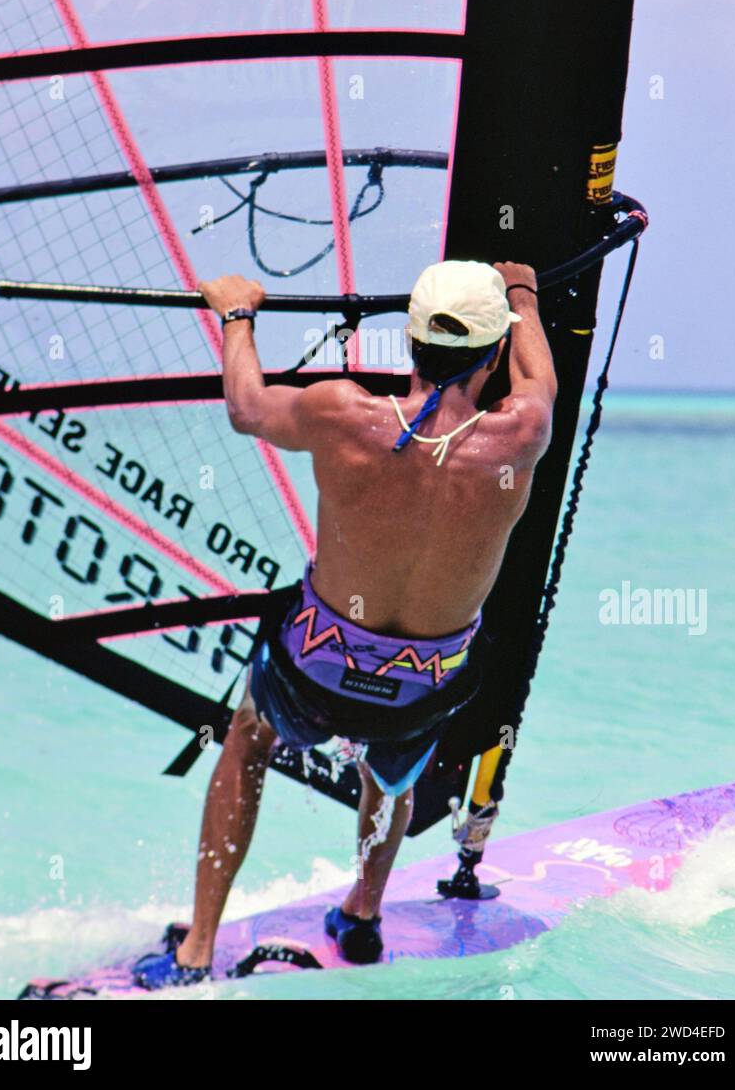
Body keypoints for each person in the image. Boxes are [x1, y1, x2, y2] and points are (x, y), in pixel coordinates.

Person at [133, 259, 556, 986]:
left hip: (314, 668)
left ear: (411, 341)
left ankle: (198, 948)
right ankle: (361, 918)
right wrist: (521, 290)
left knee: (247, 738)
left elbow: (244, 407)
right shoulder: (521, 434)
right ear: (493, 352)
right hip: (425, 685)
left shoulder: (341, 414)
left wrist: (237, 313)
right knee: (390, 773)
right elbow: (537, 376)